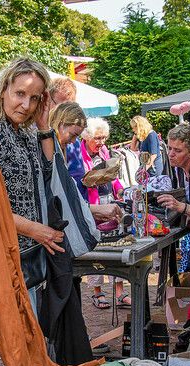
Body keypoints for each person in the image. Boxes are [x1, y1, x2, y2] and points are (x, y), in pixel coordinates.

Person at [0, 58, 62, 366]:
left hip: (30, 251)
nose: (25, 105)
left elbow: (49, 173)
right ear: (4, 89)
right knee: (16, 341)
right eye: (19, 94)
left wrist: (45, 126)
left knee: (31, 336)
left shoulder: (28, 131)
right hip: (6, 253)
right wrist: (34, 229)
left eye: (34, 98)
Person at [77, 117, 130, 309]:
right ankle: (97, 293)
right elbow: (79, 182)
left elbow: (113, 176)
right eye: (97, 138)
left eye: (104, 138)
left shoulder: (105, 151)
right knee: (97, 248)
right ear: (87, 137)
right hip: (92, 205)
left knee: (115, 244)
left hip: (109, 200)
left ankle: (119, 292)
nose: (101, 142)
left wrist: (121, 189)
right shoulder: (79, 155)